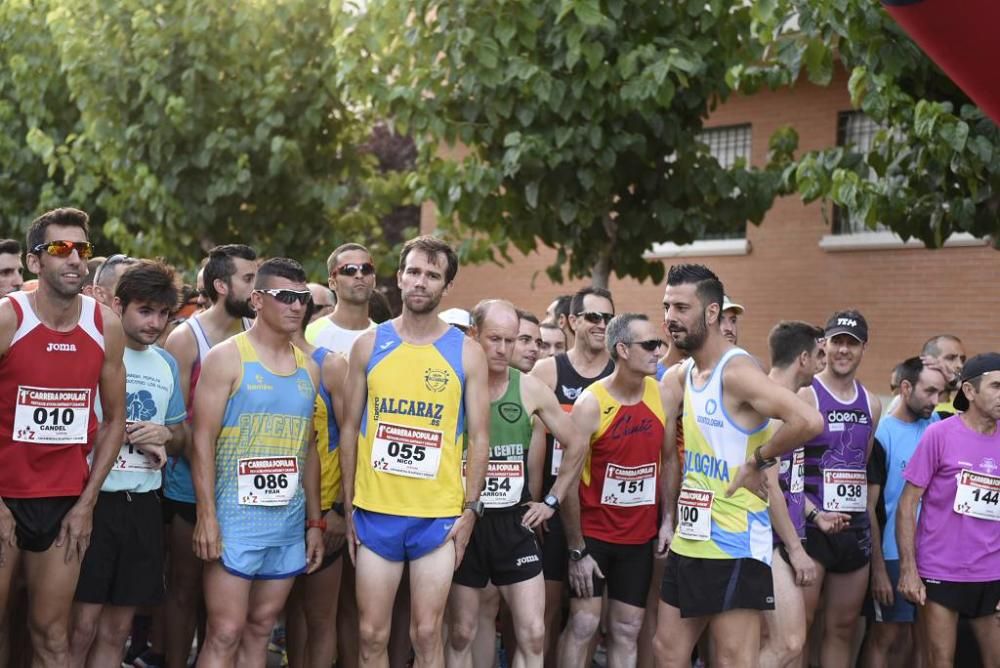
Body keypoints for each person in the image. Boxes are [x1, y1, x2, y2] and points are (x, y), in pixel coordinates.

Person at [654, 264, 823, 668]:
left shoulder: (737, 371)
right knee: (666, 652)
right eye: (666, 306)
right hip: (691, 537)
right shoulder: (689, 372)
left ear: (711, 314)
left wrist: (758, 461)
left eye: (681, 307)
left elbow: (808, 420)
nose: (670, 317)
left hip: (733, 543)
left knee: (735, 660)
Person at [339, 236, 490, 667]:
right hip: (376, 511)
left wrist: (472, 509)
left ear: (446, 287)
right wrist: (349, 504)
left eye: (432, 275)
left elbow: (480, 437)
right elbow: (348, 429)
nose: (421, 282)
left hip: (437, 517)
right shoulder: (369, 345)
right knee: (371, 635)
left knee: (426, 633)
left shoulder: (467, 352)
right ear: (400, 277)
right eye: (414, 272)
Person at [0, 208, 127, 667]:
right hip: (5, 494)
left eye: (82, 249)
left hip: (65, 501)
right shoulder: (8, 318)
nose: (74, 258)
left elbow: (115, 419)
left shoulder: (103, 324)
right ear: (35, 262)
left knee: (52, 635)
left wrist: (87, 503)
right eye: (59, 248)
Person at [191, 258, 324, 667]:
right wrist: (206, 516)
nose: (296, 306)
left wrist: (316, 523)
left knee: (262, 626)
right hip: (233, 520)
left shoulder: (310, 369)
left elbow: (309, 449)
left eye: (302, 298)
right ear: (258, 300)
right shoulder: (226, 357)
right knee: (225, 630)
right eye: (285, 297)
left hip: (285, 523)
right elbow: (200, 440)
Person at [446, 299, 587, 668]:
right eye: (494, 339)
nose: (502, 349)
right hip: (465, 524)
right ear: (473, 335)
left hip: (514, 523)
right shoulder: (452, 385)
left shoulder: (529, 389)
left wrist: (552, 502)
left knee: (533, 632)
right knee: (461, 630)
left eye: (511, 341)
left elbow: (576, 443)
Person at [68, 260, 188, 667]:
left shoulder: (166, 364)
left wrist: (166, 436)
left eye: (163, 313)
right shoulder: (93, 351)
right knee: (80, 626)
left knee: (117, 630)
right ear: (118, 305)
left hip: (143, 505)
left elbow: (182, 434)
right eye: (145, 310)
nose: (154, 322)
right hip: (92, 501)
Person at [559, 314, 677, 667]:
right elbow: (567, 481)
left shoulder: (663, 395)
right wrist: (577, 550)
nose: (659, 351)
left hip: (639, 539)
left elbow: (669, 460)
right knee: (583, 624)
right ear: (622, 350)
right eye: (650, 345)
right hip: (593, 536)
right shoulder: (591, 403)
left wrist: (668, 519)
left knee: (627, 628)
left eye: (659, 343)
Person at [160, 244, 257, 668]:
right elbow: (175, 423)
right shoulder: (186, 337)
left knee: (230, 604)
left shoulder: (258, 328)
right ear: (221, 285)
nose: (259, 289)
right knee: (184, 589)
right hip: (188, 483)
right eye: (249, 280)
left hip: (247, 487)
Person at [530, 286, 616, 665]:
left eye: (609, 319)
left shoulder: (619, 371)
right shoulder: (548, 370)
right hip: (552, 510)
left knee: (589, 620)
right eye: (594, 317)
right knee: (543, 614)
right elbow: (532, 444)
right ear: (572, 321)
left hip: (600, 514)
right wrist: (535, 501)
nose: (602, 325)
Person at [897, 353, 1000, 667]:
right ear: (969, 392)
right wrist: (909, 570)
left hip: (992, 572)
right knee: (940, 660)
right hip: (941, 571)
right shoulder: (939, 435)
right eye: (996, 386)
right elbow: (907, 505)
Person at [799, 310, 883, 668]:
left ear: (863, 347)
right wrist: (815, 514)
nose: (843, 350)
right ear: (824, 345)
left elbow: (860, 469)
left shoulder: (872, 404)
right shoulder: (806, 395)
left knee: (843, 628)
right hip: (812, 526)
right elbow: (785, 472)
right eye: (837, 342)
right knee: (800, 629)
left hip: (852, 529)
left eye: (852, 343)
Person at [861, 357, 947, 668]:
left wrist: (947, 369)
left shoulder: (937, 424)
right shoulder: (881, 437)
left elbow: (976, 394)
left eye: (941, 392)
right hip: (894, 552)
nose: (936, 400)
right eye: (929, 391)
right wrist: (879, 569)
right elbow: (870, 508)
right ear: (906, 387)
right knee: (886, 636)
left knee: (923, 637)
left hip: (935, 553)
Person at [758, 321, 827, 668]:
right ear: (802, 358)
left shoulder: (790, 404)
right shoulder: (769, 409)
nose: (824, 362)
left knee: (784, 644)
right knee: (788, 643)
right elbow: (769, 485)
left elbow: (789, 480)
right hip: (766, 540)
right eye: (819, 355)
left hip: (786, 536)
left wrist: (814, 515)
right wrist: (796, 550)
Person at [285, 300, 349, 668]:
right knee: (285, 613)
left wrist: (341, 509)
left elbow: (352, 437)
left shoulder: (330, 364)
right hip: (271, 509)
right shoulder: (246, 358)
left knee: (320, 616)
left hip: (324, 509)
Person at [305, 243, 376, 351]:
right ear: (332, 283)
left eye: (366, 269)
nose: (359, 275)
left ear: (374, 280)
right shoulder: (309, 335)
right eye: (349, 270)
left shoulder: (387, 339)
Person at [920, 335, 966, 415]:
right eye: (950, 358)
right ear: (927, 361)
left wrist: (956, 383)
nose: (960, 365)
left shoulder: (964, 408)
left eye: (962, 359)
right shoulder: (912, 406)